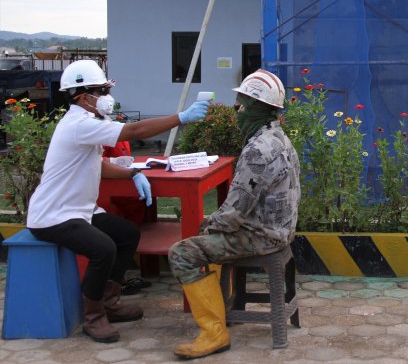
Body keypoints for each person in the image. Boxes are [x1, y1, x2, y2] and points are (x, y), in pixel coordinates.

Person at [27, 59, 210, 344]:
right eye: (100, 91)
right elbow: (134, 132)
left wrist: (132, 173)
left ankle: (110, 302)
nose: (105, 97)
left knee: (127, 234)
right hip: (54, 215)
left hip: (80, 211)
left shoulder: (88, 123)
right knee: (104, 248)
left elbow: (97, 165)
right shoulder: (78, 124)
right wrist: (180, 118)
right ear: (81, 95)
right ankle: (93, 315)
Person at [167, 69, 301, 359]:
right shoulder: (280, 139)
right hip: (281, 230)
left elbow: (232, 215)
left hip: (261, 237)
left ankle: (214, 332)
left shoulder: (257, 151)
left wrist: (207, 222)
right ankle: (221, 307)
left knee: (182, 253)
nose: (237, 113)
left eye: (240, 106)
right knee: (209, 235)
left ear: (255, 107)